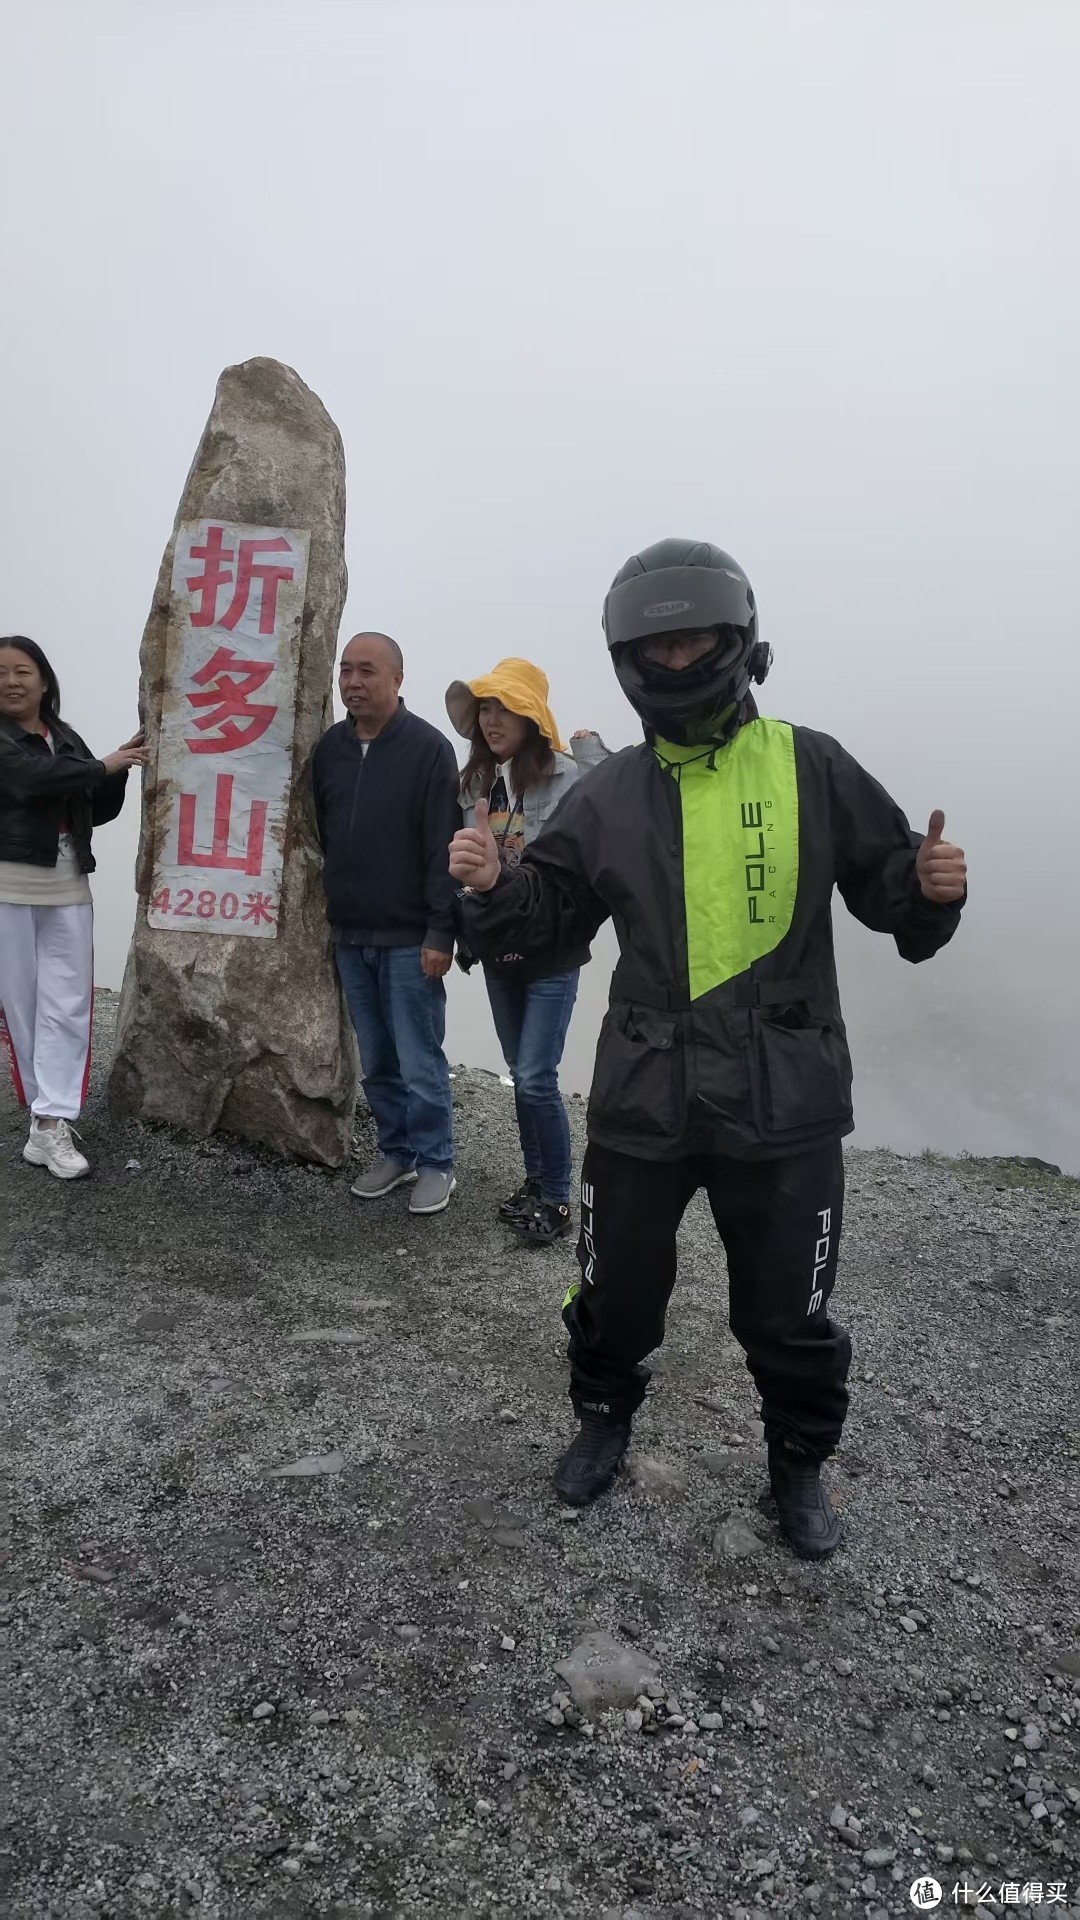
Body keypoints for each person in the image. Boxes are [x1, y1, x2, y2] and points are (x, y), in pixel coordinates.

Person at [450, 540, 967, 1558]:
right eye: (656, 644)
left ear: (738, 641)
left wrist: (929, 887)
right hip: (646, 1092)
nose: (677, 660)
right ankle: (603, 1420)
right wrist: (491, 890)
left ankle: (798, 1466)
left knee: (790, 1312)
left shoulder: (810, 763)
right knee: (614, 1289)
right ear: (628, 659)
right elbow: (548, 923)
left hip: (787, 1101)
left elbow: (887, 889)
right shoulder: (608, 794)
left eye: (695, 639)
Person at [445, 657, 606, 1243]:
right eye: (484, 708)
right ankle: (538, 1181)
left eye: (503, 707)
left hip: (553, 950)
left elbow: (624, 788)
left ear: (532, 716)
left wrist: (592, 751)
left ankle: (558, 1198)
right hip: (497, 947)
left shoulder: (568, 777)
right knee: (521, 1073)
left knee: (537, 1076)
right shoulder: (474, 785)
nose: (491, 720)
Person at [312, 631, 461, 1216]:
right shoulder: (330, 749)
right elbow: (323, 832)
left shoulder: (427, 749)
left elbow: (440, 849)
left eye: (367, 671)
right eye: (346, 671)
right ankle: (395, 1153)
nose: (353, 682)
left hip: (409, 939)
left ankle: (437, 1162)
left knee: (420, 1059)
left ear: (397, 679)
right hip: (351, 934)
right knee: (375, 1058)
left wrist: (439, 933)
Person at [0, 635, 146, 1179]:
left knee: (68, 1004)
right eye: (1, 672)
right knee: (21, 1007)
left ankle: (50, 1124)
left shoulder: (63, 736)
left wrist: (122, 766)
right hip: (7, 886)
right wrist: (101, 765)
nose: (12, 681)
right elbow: (29, 780)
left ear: (43, 681)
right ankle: (43, 1118)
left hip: (66, 886)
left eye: (23, 671)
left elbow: (95, 805)